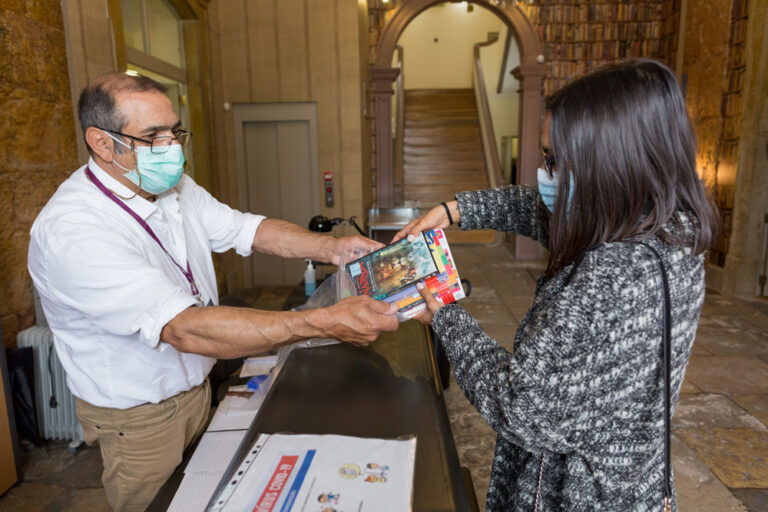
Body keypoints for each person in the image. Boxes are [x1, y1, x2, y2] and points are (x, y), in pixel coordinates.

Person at [27, 71, 398, 511]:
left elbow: (247, 229)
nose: (172, 147)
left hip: (196, 387)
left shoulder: (170, 186)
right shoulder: (73, 230)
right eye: (153, 136)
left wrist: (332, 248)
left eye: (174, 131)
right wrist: (322, 322)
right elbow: (184, 328)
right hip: (140, 419)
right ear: (102, 143)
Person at [394, 59, 717, 511]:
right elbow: (542, 211)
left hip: (573, 496)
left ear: (609, 166)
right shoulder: (672, 235)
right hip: (637, 483)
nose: (544, 173)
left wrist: (446, 319)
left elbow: (520, 406)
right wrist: (455, 211)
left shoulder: (611, 277)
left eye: (554, 161)